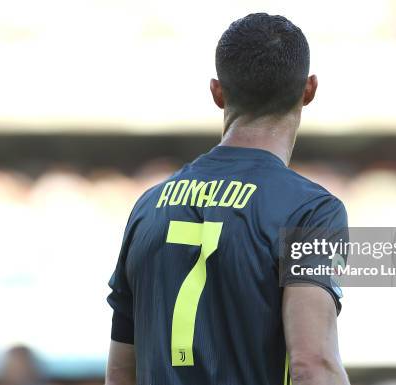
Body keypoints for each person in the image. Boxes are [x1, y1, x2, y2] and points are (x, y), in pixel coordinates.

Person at [106, 13, 350, 385]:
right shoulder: (311, 212)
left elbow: (122, 371)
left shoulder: (148, 206)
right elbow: (313, 365)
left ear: (217, 93)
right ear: (309, 89)